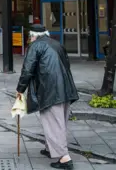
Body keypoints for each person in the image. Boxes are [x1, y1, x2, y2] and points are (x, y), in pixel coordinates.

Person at [16, 24, 79, 170]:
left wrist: (20, 89)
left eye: (29, 36)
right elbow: (67, 65)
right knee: (59, 121)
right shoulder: (57, 44)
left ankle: (64, 158)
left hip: (50, 90)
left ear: (33, 35)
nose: (29, 39)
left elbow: (27, 70)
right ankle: (50, 147)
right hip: (66, 88)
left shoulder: (35, 46)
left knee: (54, 124)